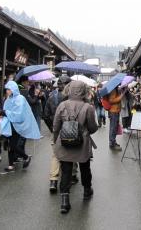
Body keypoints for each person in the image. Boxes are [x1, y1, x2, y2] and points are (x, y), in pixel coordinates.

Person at [53, 81, 98, 214]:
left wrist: (55, 141)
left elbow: (56, 126)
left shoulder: (62, 105)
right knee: (85, 168)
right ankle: (87, 191)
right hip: (82, 143)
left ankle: (65, 202)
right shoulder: (88, 107)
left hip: (64, 143)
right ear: (84, 91)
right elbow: (93, 128)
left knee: (66, 171)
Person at [44, 76, 79, 193]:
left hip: (56, 130)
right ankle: (73, 175)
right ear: (68, 85)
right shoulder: (73, 98)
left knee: (55, 154)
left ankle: (53, 180)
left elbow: (45, 115)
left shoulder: (51, 97)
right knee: (72, 152)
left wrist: (53, 129)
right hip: (70, 130)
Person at [0, 81, 41, 174]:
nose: (7, 91)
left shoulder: (20, 98)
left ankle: (26, 157)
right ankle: (11, 165)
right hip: (9, 125)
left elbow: (19, 115)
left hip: (18, 126)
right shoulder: (8, 99)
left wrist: (6, 112)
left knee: (13, 145)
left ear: (13, 89)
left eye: (9, 89)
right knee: (10, 145)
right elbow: (6, 110)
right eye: (7, 89)